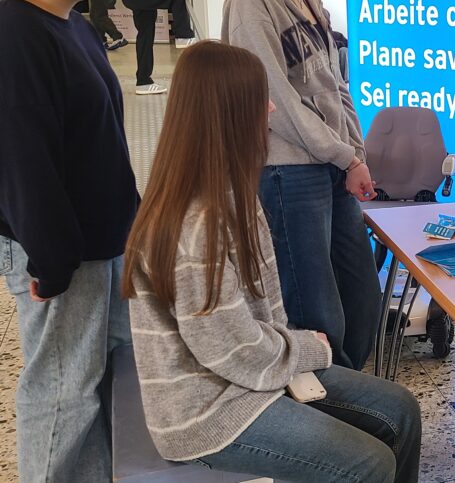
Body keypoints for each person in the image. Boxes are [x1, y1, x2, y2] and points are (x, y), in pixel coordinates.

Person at [123, 41, 421, 481]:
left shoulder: (233, 192)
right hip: (208, 411)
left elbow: (247, 331)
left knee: (401, 409)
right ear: (227, 114)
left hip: (251, 376)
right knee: (368, 463)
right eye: (258, 99)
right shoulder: (196, 222)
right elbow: (228, 349)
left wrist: (295, 349)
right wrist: (306, 349)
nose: (270, 109)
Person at [0, 0, 139, 481]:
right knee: (62, 390)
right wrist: (52, 265)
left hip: (104, 241)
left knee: (100, 380)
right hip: (61, 251)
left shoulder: (74, 24)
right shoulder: (14, 36)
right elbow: (23, 162)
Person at [222, 0, 382, 370]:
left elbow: (336, 85)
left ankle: (353, 403)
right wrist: (343, 155)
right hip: (288, 172)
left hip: (331, 169)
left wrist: (354, 155)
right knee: (317, 317)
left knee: (363, 303)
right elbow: (277, 99)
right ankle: (329, 422)